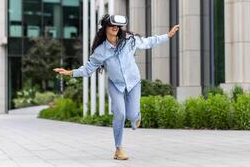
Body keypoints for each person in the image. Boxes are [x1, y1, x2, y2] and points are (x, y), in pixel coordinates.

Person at [54, 14, 179, 160]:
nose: (115, 28)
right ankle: (119, 149)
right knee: (120, 114)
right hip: (115, 85)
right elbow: (88, 69)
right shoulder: (100, 51)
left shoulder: (129, 41)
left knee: (132, 116)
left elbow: (147, 42)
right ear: (105, 28)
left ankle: (136, 116)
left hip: (133, 82)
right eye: (112, 25)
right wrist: (70, 72)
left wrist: (168, 35)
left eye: (118, 26)